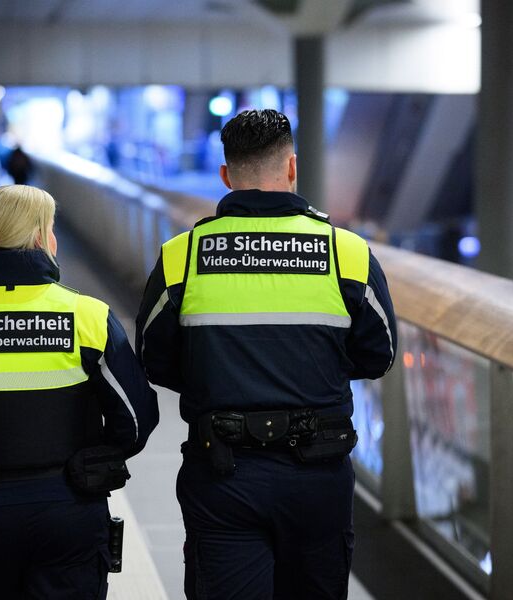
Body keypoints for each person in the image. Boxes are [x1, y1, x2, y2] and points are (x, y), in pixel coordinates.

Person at [136, 109, 397, 600]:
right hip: (318, 473)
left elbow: (154, 359)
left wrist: (215, 373)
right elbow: (378, 356)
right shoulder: (347, 254)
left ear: (226, 176)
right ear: (292, 167)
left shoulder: (182, 256)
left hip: (222, 471)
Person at [0, 184, 159, 599]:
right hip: (68, 508)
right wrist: (94, 460)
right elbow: (137, 418)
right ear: (41, 237)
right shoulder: (88, 317)